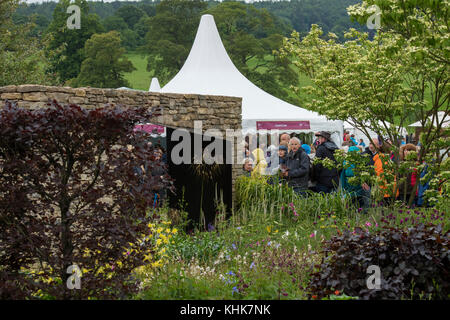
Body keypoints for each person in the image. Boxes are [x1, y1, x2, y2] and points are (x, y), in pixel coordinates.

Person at [340, 146, 370, 213]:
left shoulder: (346, 162)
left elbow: (343, 178)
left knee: (351, 207)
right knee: (360, 207)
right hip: (358, 190)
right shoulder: (360, 162)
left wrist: (343, 189)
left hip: (351, 190)